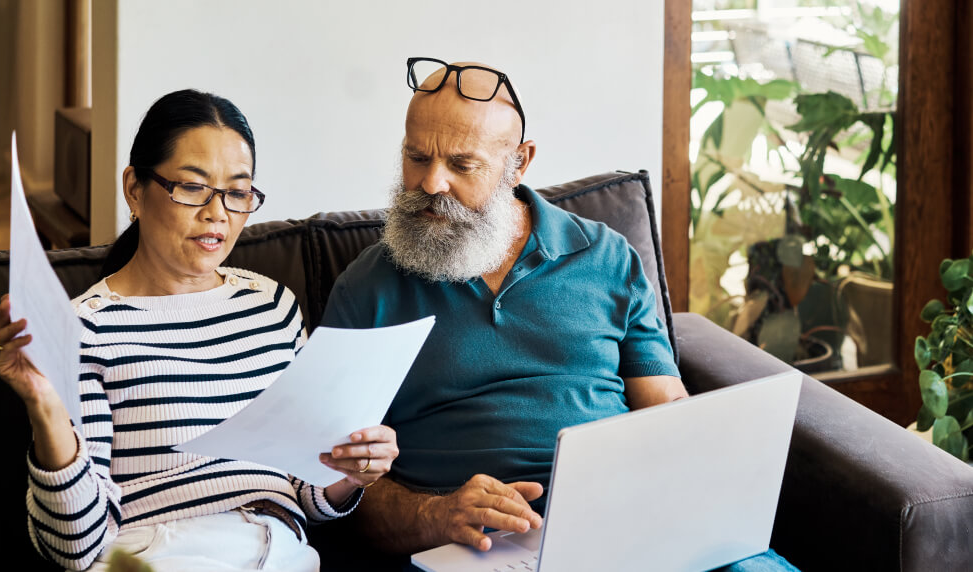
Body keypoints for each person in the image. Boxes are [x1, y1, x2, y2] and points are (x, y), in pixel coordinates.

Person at [320, 59, 797, 571]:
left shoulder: (607, 257)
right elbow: (334, 488)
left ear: (519, 163)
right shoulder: (368, 287)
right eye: (416, 157)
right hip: (477, 549)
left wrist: (682, 505)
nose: (432, 182)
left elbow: (669, 415)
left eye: (462, 165)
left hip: (626, 521)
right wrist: (439, 514)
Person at [0, 89, 398, 572]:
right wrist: (45, 407)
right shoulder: (86, 327)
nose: (217, 213)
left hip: (283, 552)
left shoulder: (273, 306)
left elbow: (307, 492)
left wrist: (353, 472)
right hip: (166, 552)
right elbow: (73, 548)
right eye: (192, 187)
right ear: (134, 189)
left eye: (238, 191)